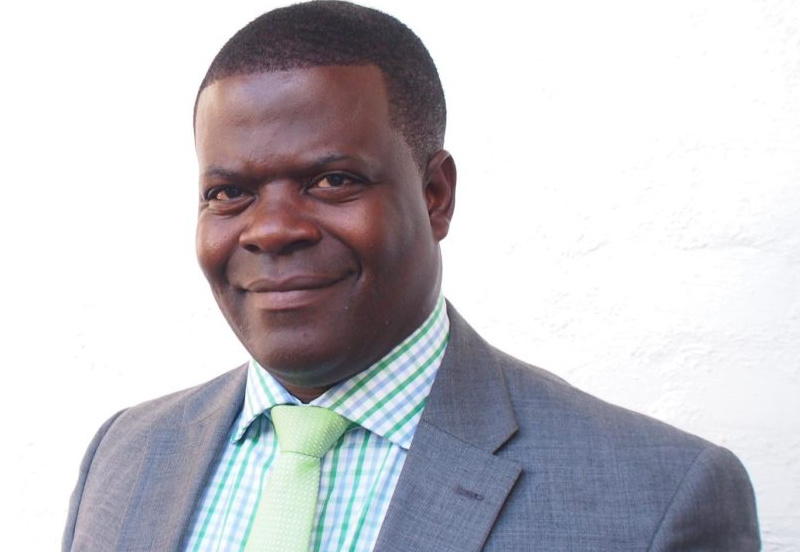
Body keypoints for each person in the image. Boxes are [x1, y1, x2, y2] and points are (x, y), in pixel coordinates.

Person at [62, 2, 760, 551]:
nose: (271, 230)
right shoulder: (124, 456)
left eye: (332, 180)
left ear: (436, 196)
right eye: (229, 193)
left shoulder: (657, 499)